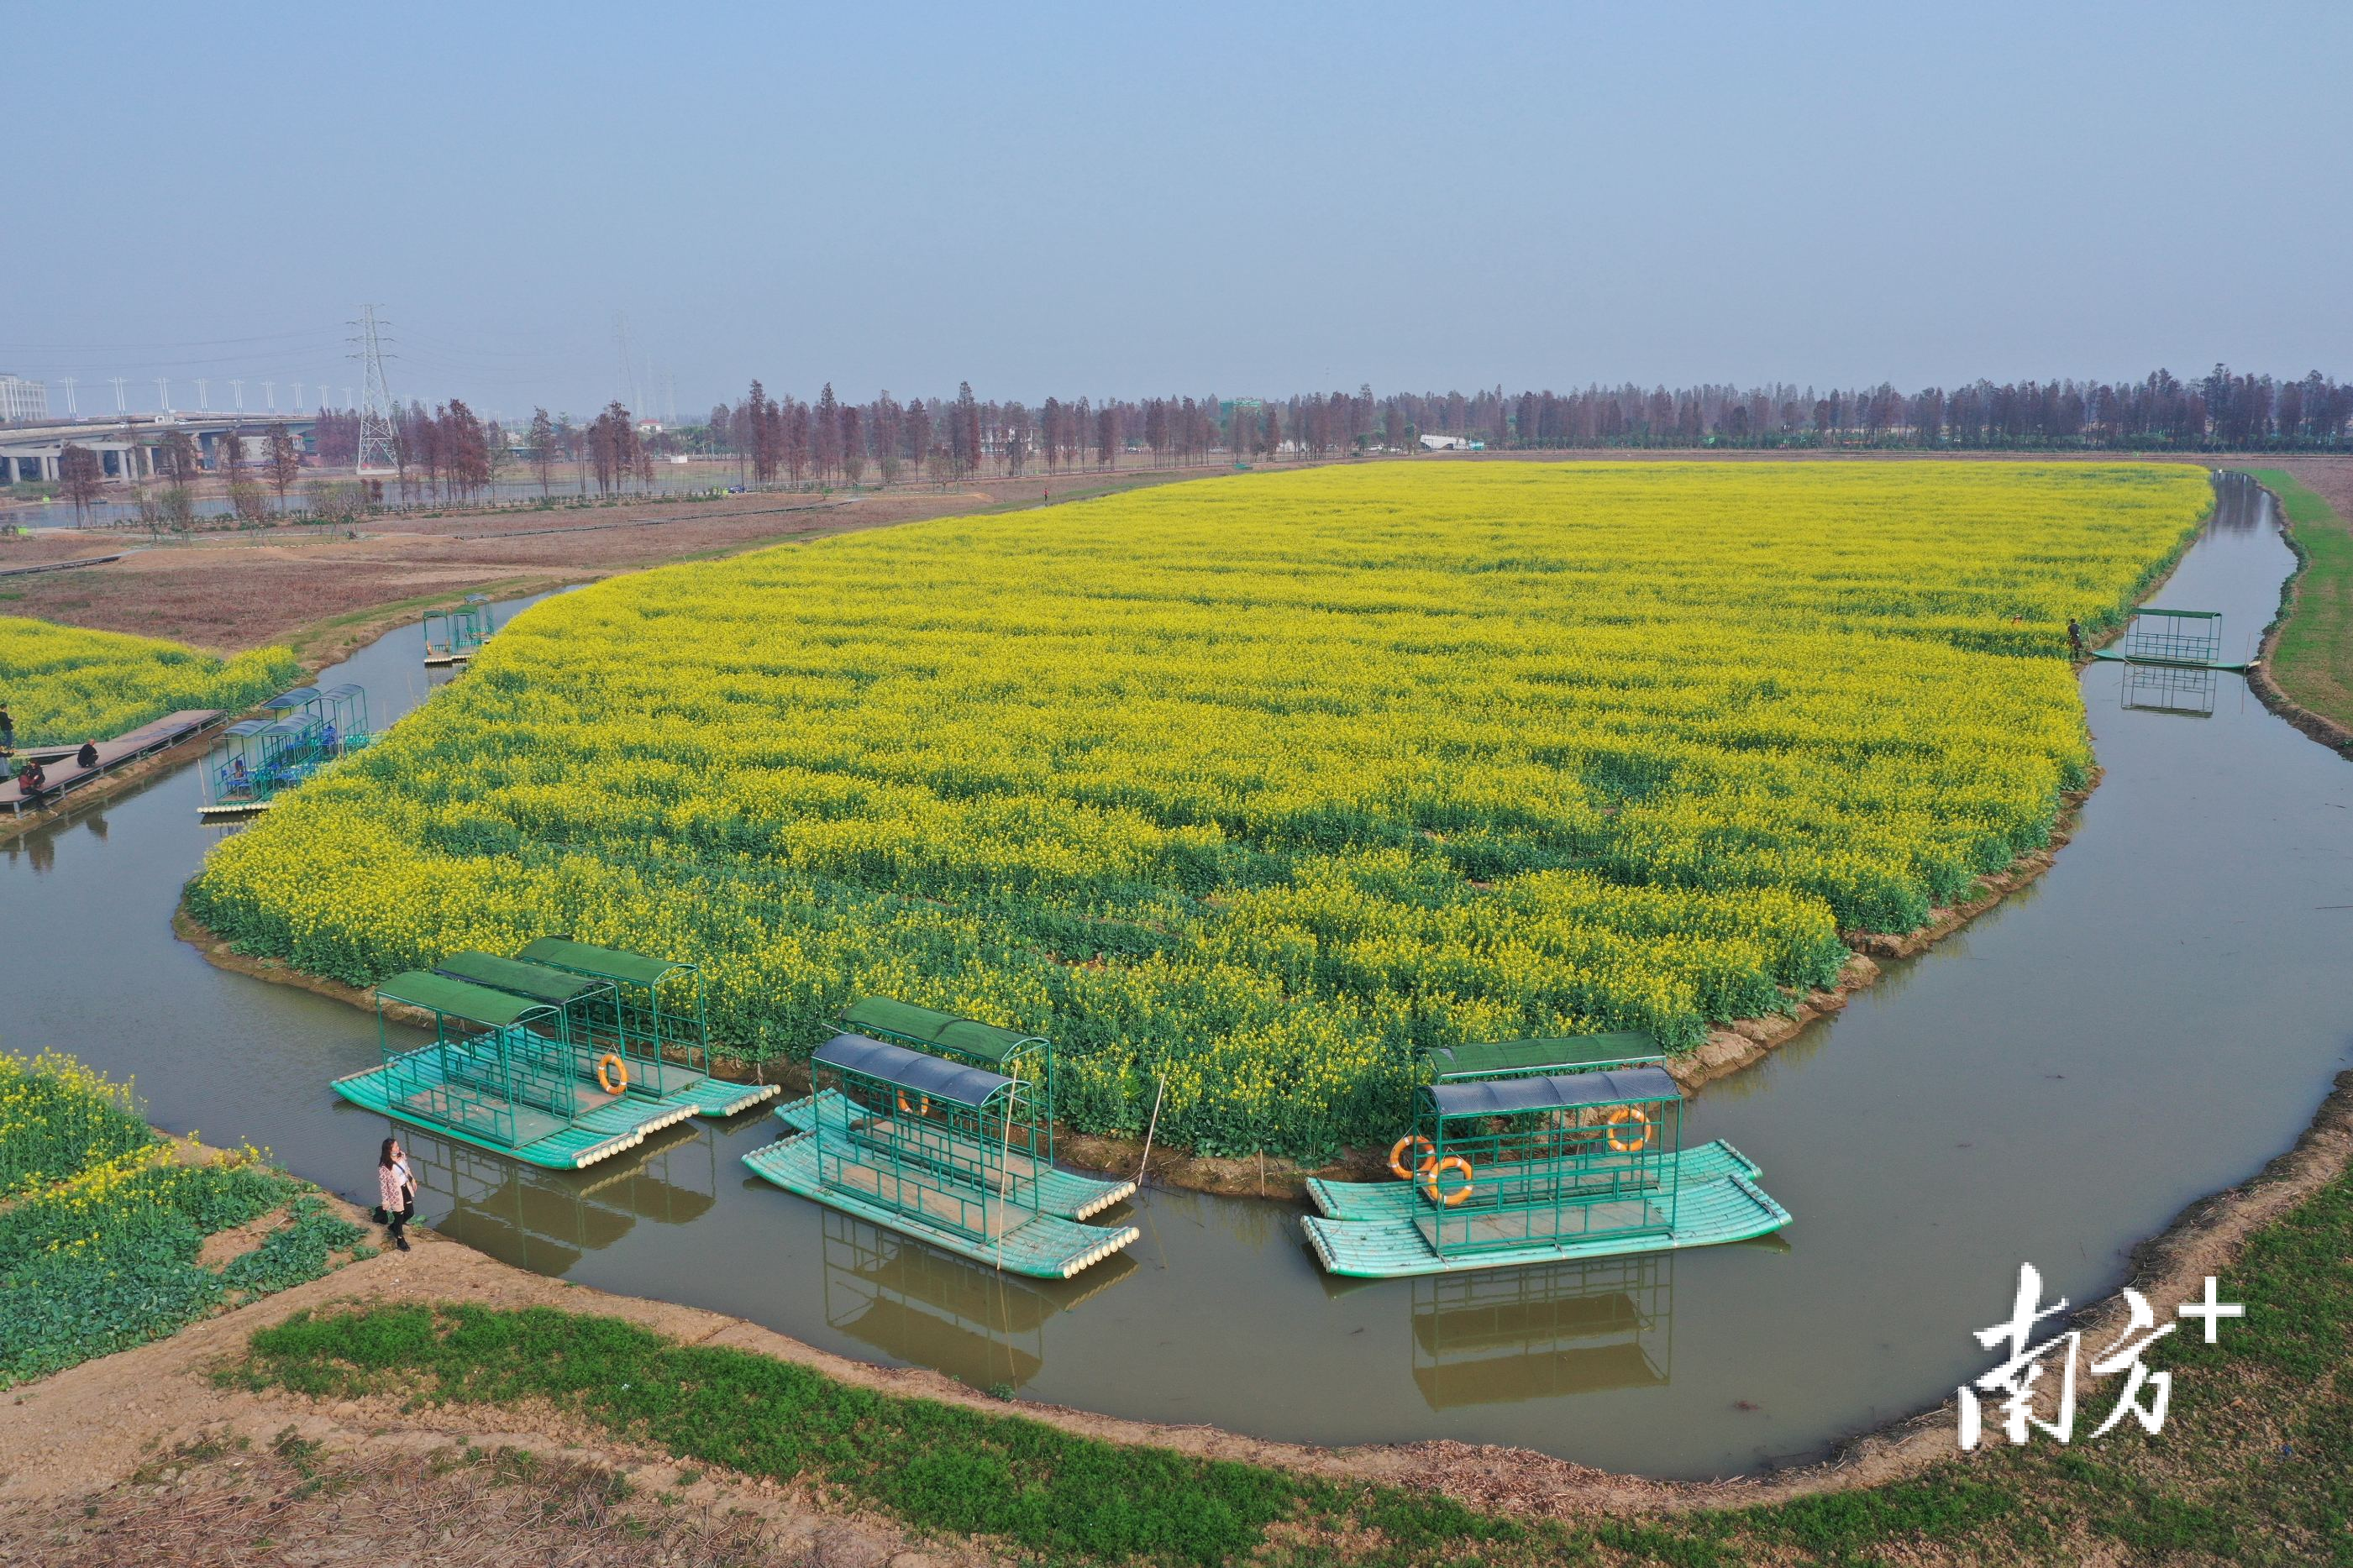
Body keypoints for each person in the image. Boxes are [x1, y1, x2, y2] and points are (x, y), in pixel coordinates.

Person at [376, 1135, 415, 1251]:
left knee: (410, 1213)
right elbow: (383, 1186)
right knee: (400, 1216)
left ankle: (393, 1227)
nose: (398, 1148)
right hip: (395, 1194)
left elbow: (406, 1169)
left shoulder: (402, 1155)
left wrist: (412, 1179)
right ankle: (400, 1239)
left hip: (405, 1189)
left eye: (397, 1146)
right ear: (389, 1150)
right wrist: (386, 1201)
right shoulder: (385, 1167)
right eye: (396, 1147)